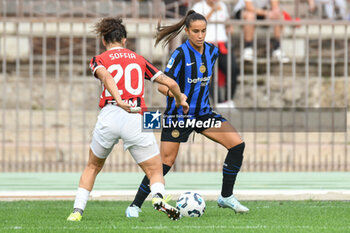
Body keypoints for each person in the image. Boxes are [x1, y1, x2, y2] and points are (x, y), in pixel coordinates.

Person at [125, 10, 249, 218]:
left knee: (237, 145)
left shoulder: (212, 51)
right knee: (164, 164)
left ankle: (226, 196)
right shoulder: (180, 54)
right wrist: (178, 95)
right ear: (187, 31)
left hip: (203, 113)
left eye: (203, 31)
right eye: (196, 31)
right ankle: (135, 205)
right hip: (178, 116)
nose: (200, 35)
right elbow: (162, 86)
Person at [66, 17, 189, 222]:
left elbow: (106, 77)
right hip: (137, 115)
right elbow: (170, 83)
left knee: (93, 166)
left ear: (104, 41)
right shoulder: (138, 59)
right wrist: (180, 99)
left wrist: (119, 99)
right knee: (155, 169)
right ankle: (158, 197)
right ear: (124, 40)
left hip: (110, 113)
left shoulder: (99, 58)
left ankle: (77, 211)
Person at [192, 0, 239, 107]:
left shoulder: (222, 5)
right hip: (205, 44)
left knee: (233, 70)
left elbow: (226, 21)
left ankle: (228, 100)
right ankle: (219, 102)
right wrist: (212, 10)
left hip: (222, 43)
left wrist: (229, 27)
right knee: (208, 75)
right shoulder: (198, 7)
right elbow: (198, 25)